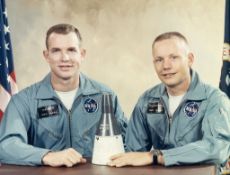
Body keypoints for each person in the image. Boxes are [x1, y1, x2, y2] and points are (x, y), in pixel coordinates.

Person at [0, 23, 127, 167]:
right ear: (46, 56)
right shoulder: (24, 101)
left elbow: (129, 144)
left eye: (72, 50)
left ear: (82, 54)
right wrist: (47, 156)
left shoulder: (105, 96)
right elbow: (6, 146)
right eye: (56, 51)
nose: (65, 58)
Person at [108, 32, 230, 170]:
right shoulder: (147, 101)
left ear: (190, 59)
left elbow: (217, 149)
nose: (166, 66)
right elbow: (133, 153)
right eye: (159, 59)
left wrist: (158, 156)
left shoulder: (214, 100)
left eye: (174, 57)